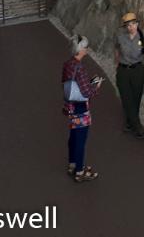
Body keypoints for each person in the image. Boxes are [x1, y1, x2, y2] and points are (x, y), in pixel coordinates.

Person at [62, 35, 103, 182]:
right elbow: (86, 91)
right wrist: (96, 86)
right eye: (85, 47)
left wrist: (88, 83)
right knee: (81, 139)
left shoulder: (68, 64)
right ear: (80, 50)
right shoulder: (80, 67)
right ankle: (80, 171)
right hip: (80, 107)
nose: (87, 49)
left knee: (73, 136)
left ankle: (72, 164)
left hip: (71, 105)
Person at [114, 11, 144, 138]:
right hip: (123, 70)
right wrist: (117, 61)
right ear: (125, 27)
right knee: (126, 97)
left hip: (137, 70)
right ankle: (137, 126)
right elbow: (116, 48)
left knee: (135, 98)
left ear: (137, 23)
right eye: (129, 25)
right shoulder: (120, 36)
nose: (132, 27)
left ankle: (129, 123)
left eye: (134, 24)